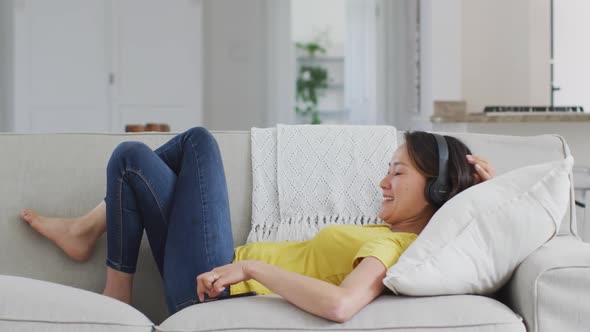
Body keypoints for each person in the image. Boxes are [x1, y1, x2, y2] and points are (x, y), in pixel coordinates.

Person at [19, 127, 495, 323]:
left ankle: (114, 289)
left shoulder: (394, 250)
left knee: (197, 142)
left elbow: (341, 304)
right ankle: (87, 233)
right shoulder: (391, 237)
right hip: (214, 269)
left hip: (215, 285)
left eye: (398, 172)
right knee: (132, 159)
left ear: (435, 190)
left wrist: (252, 271)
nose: (382, 183)